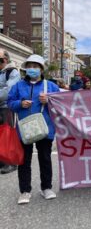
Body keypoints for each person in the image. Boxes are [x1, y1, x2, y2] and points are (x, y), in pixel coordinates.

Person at [8, 54, 60, 205]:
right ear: (25, 69)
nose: (32, 69)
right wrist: (20, 104)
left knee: (45, 158)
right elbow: (10, 103)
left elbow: (61, 105)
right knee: (24, 161)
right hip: (24, 130)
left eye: (36, 66)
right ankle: (25, 191)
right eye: (30, 66)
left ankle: (47, 188)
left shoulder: (51, 86)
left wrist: (50, 100)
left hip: (46, 128)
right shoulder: (18, 86)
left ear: (41, 69)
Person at [0, 49, 20, 174]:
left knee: (8, 135)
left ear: (5, 60)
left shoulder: (13, 72)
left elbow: (8, 91)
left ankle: (11, 162)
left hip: (7, 107)